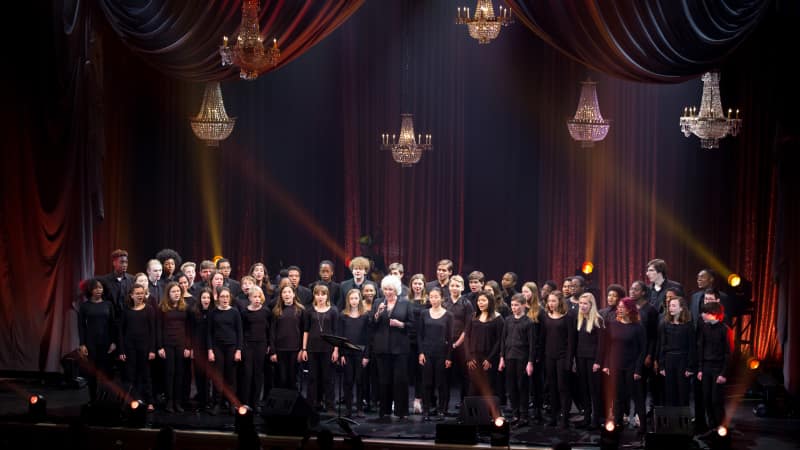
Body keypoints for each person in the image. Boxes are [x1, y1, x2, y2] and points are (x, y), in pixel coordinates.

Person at [369, 275, 413, 420]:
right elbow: (371, 324)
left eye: (391, 289)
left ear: (397, 290)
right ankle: (385, 410)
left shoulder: (405, 303)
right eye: (385, 289)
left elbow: (412, 325)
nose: (388, 292)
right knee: (384, 380)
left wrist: (401, 324)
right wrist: (377, 314)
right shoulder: (377, 302)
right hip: (382, 348)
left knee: (400, 380)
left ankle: (402, 411)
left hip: (400, 348)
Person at [601, 298, 646, 434]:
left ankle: (643, 426)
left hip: (632, 366)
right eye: (618, 307)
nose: (619, 309)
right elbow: (608, 346)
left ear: (630, 309)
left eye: (622, 307)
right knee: (618, 396)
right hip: (616, 365)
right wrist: (607, 364)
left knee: (637, 396)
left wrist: (638, 369)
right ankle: (618, 422)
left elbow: (643, 350)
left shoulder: (638, 327)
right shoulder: (612, 324)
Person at [78, 278, 117, 403]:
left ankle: (105, 399)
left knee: (106, 373)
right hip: (91, 344)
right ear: (90, 290)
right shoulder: (84, 306)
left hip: (106, 343)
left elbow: (113, 325)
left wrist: (113, 342)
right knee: (92, 373)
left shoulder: (108, 305)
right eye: (95, 288)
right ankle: (93, 399)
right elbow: (81, 326)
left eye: (100, 287)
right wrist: (82, 344)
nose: (98, 290)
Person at [118, 283, 156, 411]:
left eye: (142, 293)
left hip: (145, 348)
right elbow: (121, 332)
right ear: (132, 295)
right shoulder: (126, 310)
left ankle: (150, 401)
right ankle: (133, 401)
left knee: (146, 375)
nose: (140, 295)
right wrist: (122, 350)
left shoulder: (149, 309)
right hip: (130, 348)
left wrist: (152, 349)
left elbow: (153, 331)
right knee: (130, 375)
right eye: (137, 293)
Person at [499, 294, 535, 427]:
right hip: (509, 357)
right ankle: (515, 414)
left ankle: (524, 415)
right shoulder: (508, 320)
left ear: (523, 305)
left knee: (522, 387)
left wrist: (530, 362)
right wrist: (502, 358)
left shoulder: (528, 322)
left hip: (522, 358)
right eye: (512, 305)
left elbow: (532, 344)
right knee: (511, 387)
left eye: (517, 305)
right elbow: (503, 340)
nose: (514, 308)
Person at [418, 287, 453, 421]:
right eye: (431, 297)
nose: (433, 299)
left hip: (442, 353)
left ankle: (441, 410)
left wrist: (449, 356)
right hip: (427, 352)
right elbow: (420, 335)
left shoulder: (448, 315)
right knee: (427, 383)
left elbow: (450, 338)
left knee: (441, 383)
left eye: (436, 297)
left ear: (442, 298)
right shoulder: (424, 313)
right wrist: (421, 352)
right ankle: (426, 409)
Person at [541, 291, 575, 428]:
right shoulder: (546, 316)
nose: (551, 304)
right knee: (552, 388)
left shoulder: (568, 317)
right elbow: (543, 338)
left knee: (563, 388)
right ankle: (553, 417)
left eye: (554, 301)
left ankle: (564, 418)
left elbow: (571, 341)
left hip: (562, 356)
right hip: (549, 356)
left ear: (560, 302)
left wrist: (569, 360)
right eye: (549, 301)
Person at [156, 281, 191, 413]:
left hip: (181, 344)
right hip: (167, 344)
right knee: (169, 373)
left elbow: (188, 329)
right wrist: (160, 347)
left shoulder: (185, 307)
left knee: (180, 373)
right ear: (168, 294)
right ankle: (169, 402)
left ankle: (178, 402)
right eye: (173, 292)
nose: (177, 294)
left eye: (178, 291)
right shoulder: (162, 308)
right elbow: (159, 328)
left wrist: (188, 347)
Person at [697, 302, 732, 432]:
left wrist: (723, 373)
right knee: (706, 399)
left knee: (716, 400)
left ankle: (721, 428)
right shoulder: (704, 328)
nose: (702, 315)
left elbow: (728, 354)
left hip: (718, 368)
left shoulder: (724, 330)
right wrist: (700, 369)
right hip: (706, 367)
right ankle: (712, 428)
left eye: (705, 313)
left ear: (714, 314)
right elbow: (701, 348)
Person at [208, 287, 243, 415]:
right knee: (218, 376)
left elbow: (240, 332)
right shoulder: (213, 312)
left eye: (227, 296)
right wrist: (210, 350)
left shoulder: (235, 312)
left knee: (231, 377)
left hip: (231, 347)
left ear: (230, 298)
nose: (225, 299)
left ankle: (231, 403)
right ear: (218, 298)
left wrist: (238, 350)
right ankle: (217, 403)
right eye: (222, 296)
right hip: (217, 347)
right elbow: (209, 333)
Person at [304, 284, 339, 412]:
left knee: (328, 378)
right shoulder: (309, 310)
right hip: (312, 349)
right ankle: (312, 404)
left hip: (328, 349)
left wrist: (336, 349)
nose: (320, 297)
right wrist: (304, 349)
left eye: (323, 294)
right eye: (317, 294)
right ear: (314, 295)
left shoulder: (333, 310)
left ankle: (330, 405)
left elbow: (336, 331)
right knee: (313, 378)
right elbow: (306, 331)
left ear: (327, 295)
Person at [657, 297, 695, 407]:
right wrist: (662, 365)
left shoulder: (688, 326)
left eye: (674, 306)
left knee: (683, 392)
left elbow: (692, 347)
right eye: (669, 306)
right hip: (669, 360)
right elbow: (662, 346)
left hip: (683, 360)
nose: (670, 308)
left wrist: (690, 367)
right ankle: (671, 421)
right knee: (670, 392)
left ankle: (684, 421)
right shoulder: (664, 324)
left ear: (681, 308)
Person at [466, 289, 503, 400]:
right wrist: (468, 357)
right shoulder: (473, 316)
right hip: (473, 357)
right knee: (473, 387)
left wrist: (490, 359)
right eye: (478, 300)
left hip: (488, 358)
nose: (480, 303)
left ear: (490, 302)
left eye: (483, 300)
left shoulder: (498, 318)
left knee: (488, 387)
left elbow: (499, 340)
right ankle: (473, 415)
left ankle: (489, 415)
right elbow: (467, 337)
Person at [444, 275, 473, 411]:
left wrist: (457, 343)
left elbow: (468, 327)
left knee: (464, 375)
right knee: (445, 375)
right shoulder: (445, 302)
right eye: (452, 285)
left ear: (462, 287)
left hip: (462, 344)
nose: (454, 288)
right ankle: (443, 405)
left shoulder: (466, 304)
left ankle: (464, 403)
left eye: (457, 286)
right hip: (446, 344)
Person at [339, 289, 370, 418]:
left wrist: (366, 355)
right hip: (347, 353)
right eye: (351, 299)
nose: (354, 301)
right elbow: (340, 336)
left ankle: (359, 408)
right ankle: (348, 408)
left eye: (356, 298)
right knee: (348, 381)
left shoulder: (365, 316)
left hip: (360, 353)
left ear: (360, 300)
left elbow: (368, 337)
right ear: (348, 300)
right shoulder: (343, 315)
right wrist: (341, 354)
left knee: (360, 381)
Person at [575, 293, 604, 429]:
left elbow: (602, 344)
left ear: (591, 305)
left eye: (585, 303)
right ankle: (587, 417)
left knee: (594, 390)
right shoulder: (579, 319)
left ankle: (596, 419)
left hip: (593, 359)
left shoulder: (598, 320)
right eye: (580, 303)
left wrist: (598, 362)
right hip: (581, 358)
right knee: (584, 389)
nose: (582, 306)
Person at [240, 286, 271, 412]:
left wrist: (269, 345)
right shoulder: (244, 312)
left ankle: (256, 402)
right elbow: (241, 330)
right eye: (255, 297)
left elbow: (269, 330)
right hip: (248, 345)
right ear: (250, 298)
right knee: (247, 374)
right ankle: (246, 402)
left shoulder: (266, 312)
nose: (257, 299)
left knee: (258, 374)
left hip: (261, 345)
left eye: (259, 297)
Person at [269, 285, 306, 390]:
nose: (287, 294)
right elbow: (272, 332)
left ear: (294, 294)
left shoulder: (300, 310)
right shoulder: (276, 311)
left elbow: (304, 331)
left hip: (295, 350)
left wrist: (302, 350)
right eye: (284, 292)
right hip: (280, 350)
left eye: (289, 292)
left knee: (292, 379)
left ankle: (292, 404)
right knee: (281, 379)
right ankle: (281, 405)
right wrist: (273, 351)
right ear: (281, 295)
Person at [523, 281, 545, 422]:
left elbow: (542, 334)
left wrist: (538, 353)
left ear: (533, 293)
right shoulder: (521, 308)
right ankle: (525, 409)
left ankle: (538, 409)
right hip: (523, 349)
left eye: (527, 292)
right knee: (525, 382)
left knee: (537, 381)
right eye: (523, 292)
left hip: (536, 350)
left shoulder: (539, 310)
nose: (524, 294)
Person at [408, 273, 429, 414]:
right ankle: (400, 401)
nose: (417, 286)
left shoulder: (427, 301)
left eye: (420, 284)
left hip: (423, 340)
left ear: (423, 286)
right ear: (411, 285)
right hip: (407, 339)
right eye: (415, 283)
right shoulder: (405, 300)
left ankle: (418, 400)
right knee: (407, 372)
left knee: (420, 373)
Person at [190, 288, 214, 412]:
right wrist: (192, 349)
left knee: (208, 376)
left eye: (208, 298)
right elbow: (191, 332)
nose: (206, 300)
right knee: (199, 376)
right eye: (204, 297)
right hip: (198, 348)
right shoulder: (194, 312)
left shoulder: (214, 312)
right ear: (200, 299)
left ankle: (208, 401)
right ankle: (201, 402)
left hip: (210, 348)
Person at [101, 249, 135, 313]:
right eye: (122, 262)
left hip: (128, 316)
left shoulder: (132, 279)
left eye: (126, 262)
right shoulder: (105, 280)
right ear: (114, 263)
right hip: (111, 318)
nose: (125, 265)